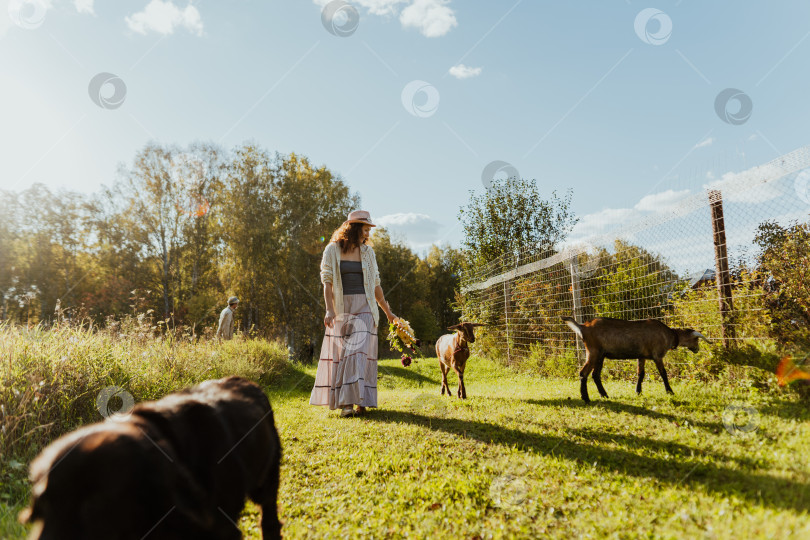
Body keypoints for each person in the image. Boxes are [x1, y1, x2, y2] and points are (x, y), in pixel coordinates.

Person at [309, 210, 396, 417]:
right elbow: (327, 282)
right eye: (365, 229)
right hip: (341, 307)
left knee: (356, 352)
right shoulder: (332, 250)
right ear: (354, 228)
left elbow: (376, 285)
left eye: (368, 230)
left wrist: (388, 313)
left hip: (365, 306)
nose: (368, 234)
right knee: (345, 354)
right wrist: (329, 309)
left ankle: (349, 402)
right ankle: (355, 400)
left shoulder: (368, 253)